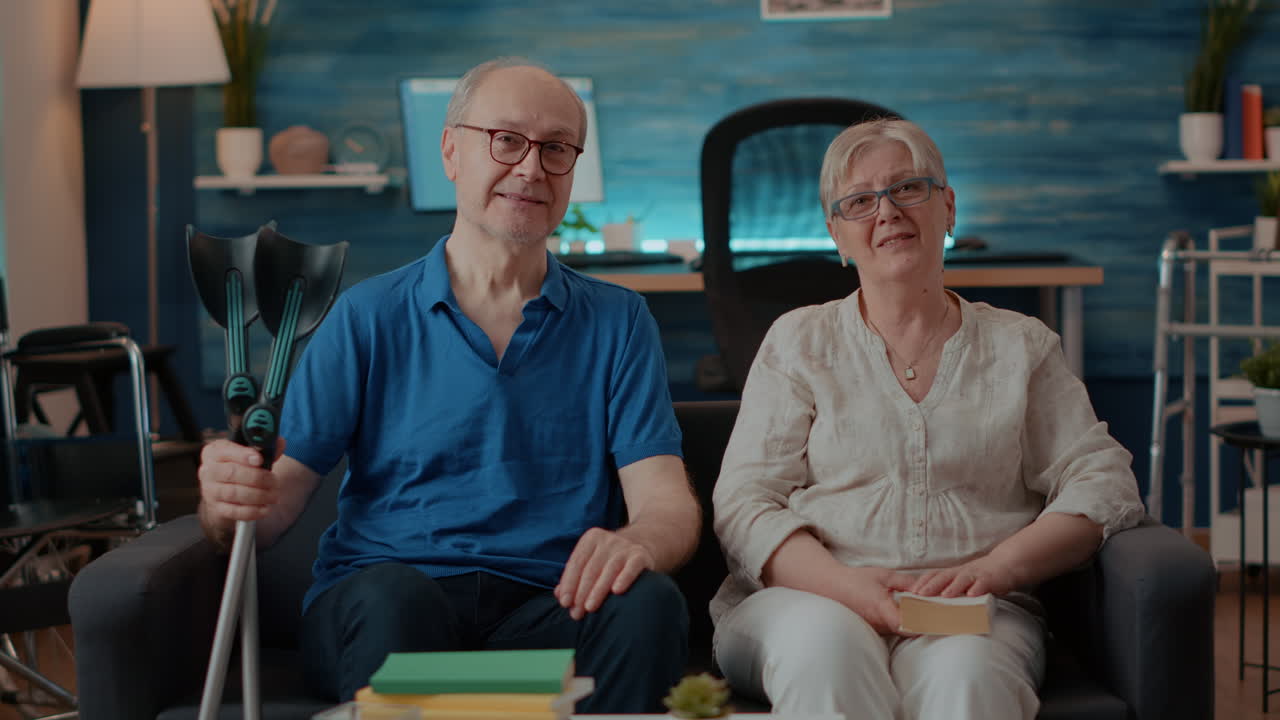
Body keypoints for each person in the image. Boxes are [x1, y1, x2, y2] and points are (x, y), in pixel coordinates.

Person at [196, 57, 700, 713]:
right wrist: (227, 498)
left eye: (555, 149)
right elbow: (270, 509)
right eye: (507, 140)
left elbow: (668, 506)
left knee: (649, 600)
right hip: (390, 605)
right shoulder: (366, 316)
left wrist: (638, 541)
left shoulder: (618, 320)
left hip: (549, 610)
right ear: (451, 150)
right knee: (393, 598)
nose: (530, 168)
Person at [710, 118, 1146, 720]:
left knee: (968, 680)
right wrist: (848, 588)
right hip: (809, 599)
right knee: (828, 651)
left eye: (908, 188)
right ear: (838, 235)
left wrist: (998, 569)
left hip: (970, 613)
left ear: (948, 208)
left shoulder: (1023, 346)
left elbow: (1104, 483)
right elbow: (744, 503)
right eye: (860, 201)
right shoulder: (797, 342)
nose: (886, 212)